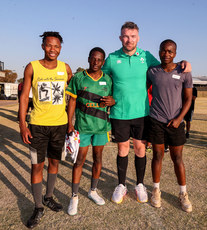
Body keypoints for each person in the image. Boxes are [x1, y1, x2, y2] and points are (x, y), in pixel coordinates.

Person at [102, 21, 191, 205]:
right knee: (122, 149)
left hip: (142, 112)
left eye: (133, 36)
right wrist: (108, 96)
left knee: (141, 149)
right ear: (120, 38)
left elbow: (166, 67)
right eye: (126, 36)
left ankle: (140, 185)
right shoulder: (111, 58)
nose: (129, 40)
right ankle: (121, 185)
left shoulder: (147, 57)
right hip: (119, 113)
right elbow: (101, 79)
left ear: (138, 38)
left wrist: (184, 63)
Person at [19, 31, 72, 228]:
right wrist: (23, 124)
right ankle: (38, 206)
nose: (53, 49)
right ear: (43, 46)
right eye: (49, 45)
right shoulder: (32, 67)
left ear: (61, 48)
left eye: (57, 46)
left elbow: (72, 94)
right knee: (37, 166)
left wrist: (71, 123)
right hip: (38, 125)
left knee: (55, 163)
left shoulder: (65, 68)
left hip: (59, 125)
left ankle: (49, 196)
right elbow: (24, 97)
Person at [66, 47, 115, 216]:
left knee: (98, 159)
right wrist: (69, 123)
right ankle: (74, 196)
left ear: (103, 61)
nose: (96, 62)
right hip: (83, 126)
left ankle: (93, 190)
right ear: (88, 59)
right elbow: (72, 101)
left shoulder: (108, 79)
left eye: (100, 60)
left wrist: (112, 101)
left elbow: (113, 99)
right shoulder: (78, 78)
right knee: (79, 161)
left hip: (101, 127)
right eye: (93, 59)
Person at [147, 39, 193, 212]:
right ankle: (156, 190)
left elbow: (188, 99)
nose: (166, 54)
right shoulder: (152, 71)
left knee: (177, 159)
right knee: (157, 156)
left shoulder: (184, 71)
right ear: (159, 51)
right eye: (163, 51)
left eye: (170, 51)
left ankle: (183, 193)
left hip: (176, 122)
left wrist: (179, 118)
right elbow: (143, 90)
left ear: (175, 53)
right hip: (156, 120)